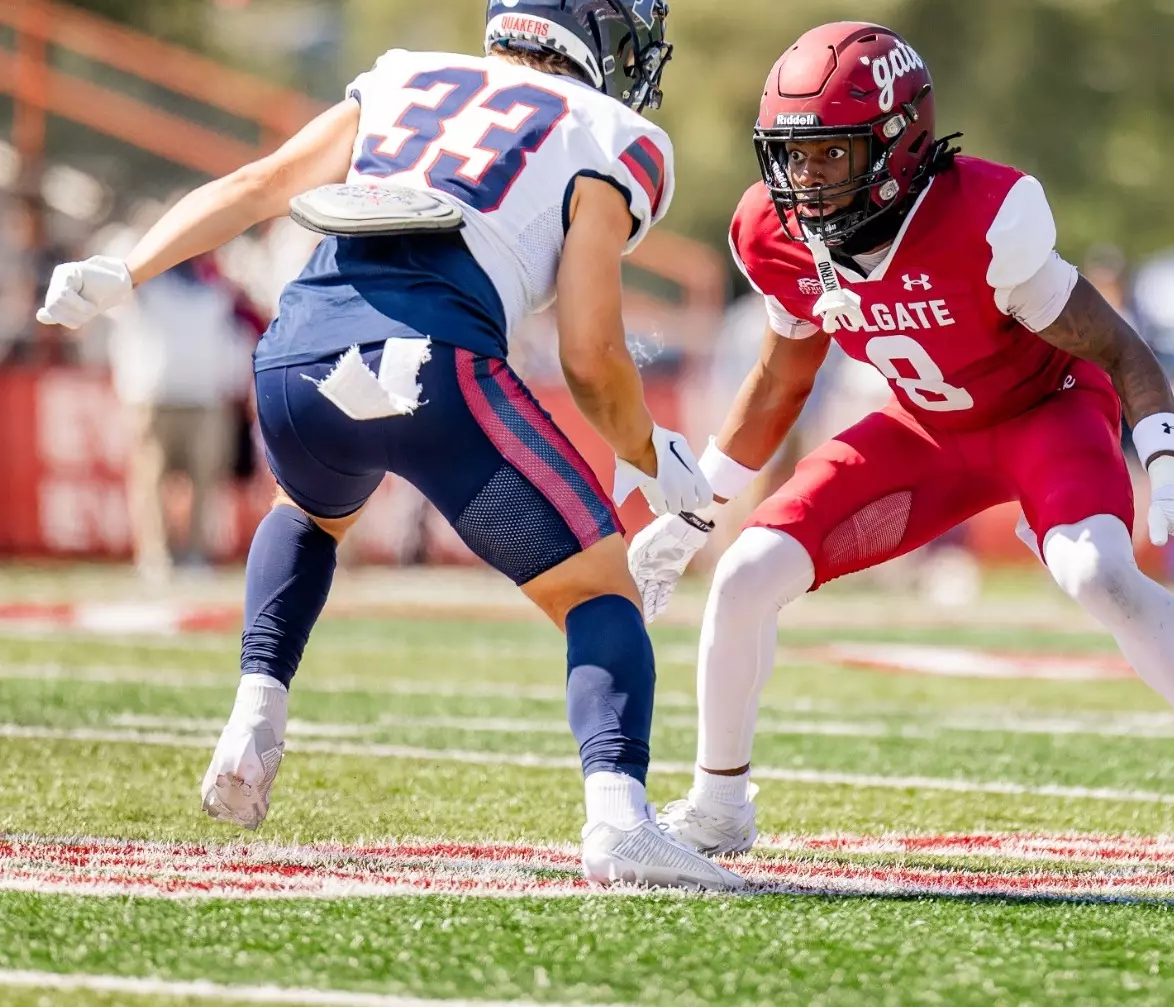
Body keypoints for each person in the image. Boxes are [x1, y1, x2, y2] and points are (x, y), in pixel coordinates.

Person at [36, 0, 740, 891]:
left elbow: (262, 184)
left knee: (311, 513)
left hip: (294, 356)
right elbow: (593, 352)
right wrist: (647, 448)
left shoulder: (408, 73)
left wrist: (125, 269)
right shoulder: (609, 129)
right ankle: (619, 822)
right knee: (598, 591)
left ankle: (254, 717)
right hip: (435, 364)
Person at [628, 22, 1174, 883]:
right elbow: (780, 384)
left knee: (1098, 574)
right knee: (743, 575)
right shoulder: (774, 234)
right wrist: (696, 504)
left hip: (1047, 413)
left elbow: (1120, 352)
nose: (802, 182)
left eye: (829, 157)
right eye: (790, 156)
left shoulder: (986, 215)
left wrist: (1169, 474)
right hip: (925, 426)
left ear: (898, 145)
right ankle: (718, 802)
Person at [106, 242, 262, 580]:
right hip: (154, 396)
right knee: (152, 480)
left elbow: (247, 330)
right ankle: (156, 557)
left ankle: (196, 554)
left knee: (205, 484)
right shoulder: (146, 285)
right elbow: (115, 277)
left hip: (206, 398)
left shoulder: (217, 290)